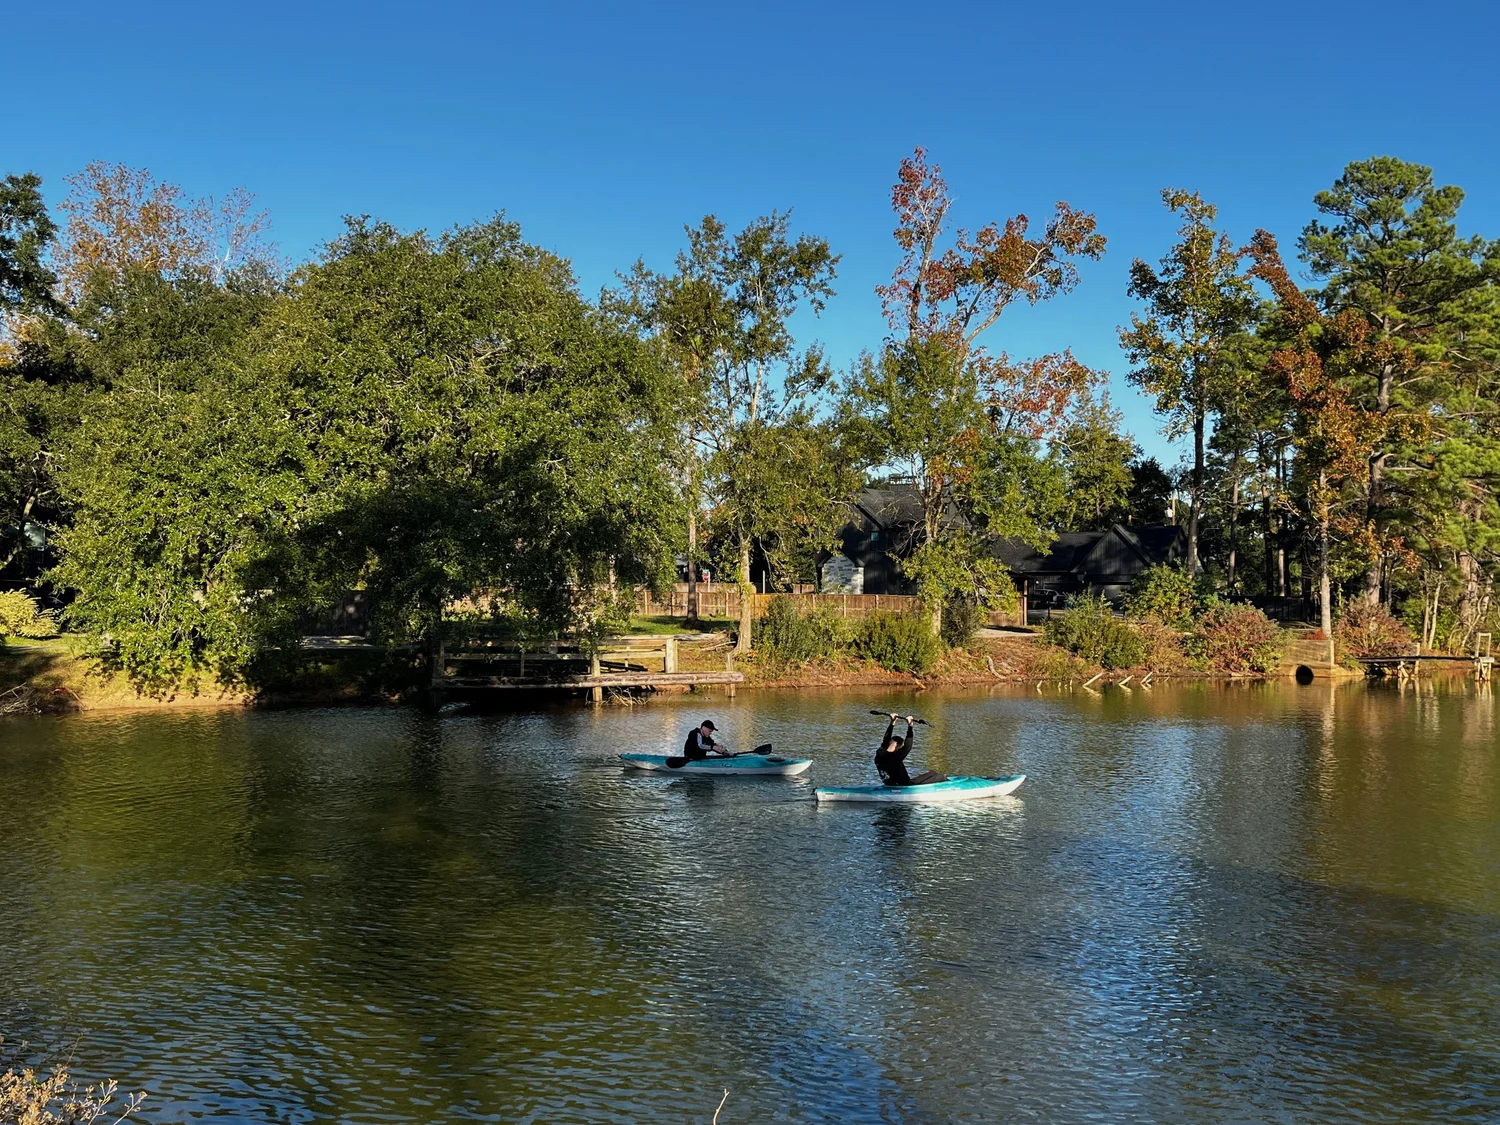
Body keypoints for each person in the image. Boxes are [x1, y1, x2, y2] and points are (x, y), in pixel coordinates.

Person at [874, 712, 947, 787]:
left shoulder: (879, 753)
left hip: (897, 783)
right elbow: (907, 747)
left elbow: (886, 740)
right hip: (903, 786)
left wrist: (892, 722)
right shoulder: (895, 757)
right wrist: (910, 726)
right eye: (900, 747)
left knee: (933, 773)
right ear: (897, 746)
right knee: (941, 777)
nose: (900, 749)